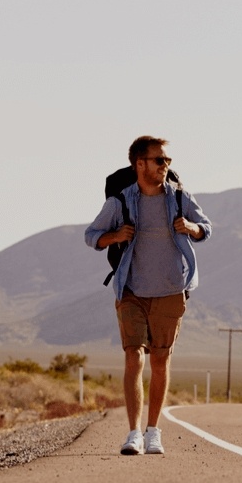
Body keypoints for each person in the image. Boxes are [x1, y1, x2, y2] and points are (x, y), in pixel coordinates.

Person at [85, 136, 211, 455]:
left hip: (170, 290)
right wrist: (114, 235)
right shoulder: (121, 202)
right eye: (159, 160)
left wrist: (192, 228)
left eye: (167, 161)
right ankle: (133, 433)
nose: (165, 166)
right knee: (133, 356)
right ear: (139, 164)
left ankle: (153, 431)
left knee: (160, 359)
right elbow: (91, 236)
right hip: (131, 290)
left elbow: (206, 227)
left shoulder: (180, 198)